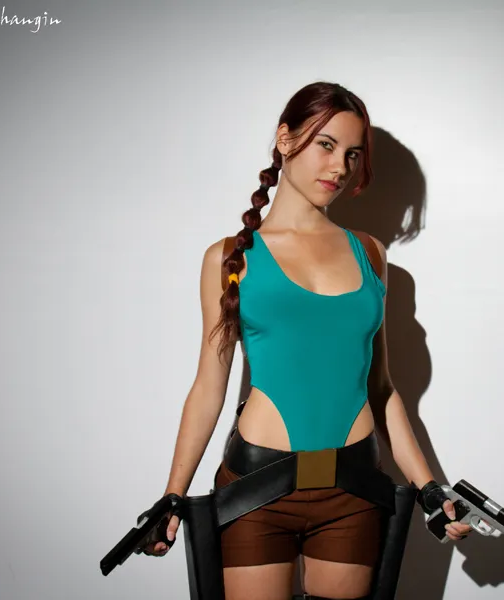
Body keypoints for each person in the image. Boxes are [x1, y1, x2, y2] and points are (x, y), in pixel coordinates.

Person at [140, 81, 473, 600]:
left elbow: (382, 389)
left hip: (353, 488)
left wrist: (430, 487)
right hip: (256, 488)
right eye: (326, 145)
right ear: (285, 139)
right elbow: (208, 387)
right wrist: (172, 495)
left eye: (352, 154)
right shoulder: (229, 259)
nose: (340, 167)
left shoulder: (371, 253)